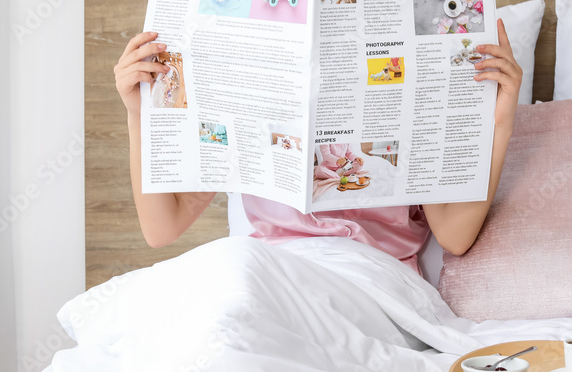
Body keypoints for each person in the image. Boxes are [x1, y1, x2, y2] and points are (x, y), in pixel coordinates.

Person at [113, 19, 522, 273]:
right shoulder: (257, 94)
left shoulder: (408, 95)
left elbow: (455, 237)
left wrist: (500, 123)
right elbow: (161, 228)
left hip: (368, 279)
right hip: (266, 272)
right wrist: (138, 114)